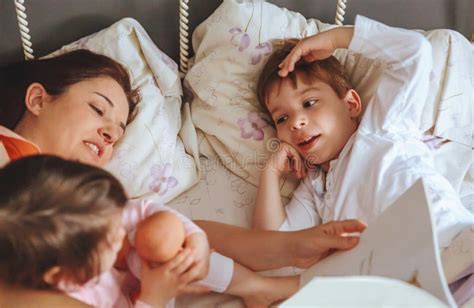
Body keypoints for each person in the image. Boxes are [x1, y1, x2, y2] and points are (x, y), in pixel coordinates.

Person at [0, 48, 365, 290]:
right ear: (37, 99)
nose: (111, 134)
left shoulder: (84, 197)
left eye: (119, 132)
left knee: (171, 228)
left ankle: (270, 279)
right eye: (98, 109)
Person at [253, 15, 473, 249]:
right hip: (406, 280)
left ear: (350, 105)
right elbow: (274, 249)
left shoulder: (381, 127)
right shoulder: (317, 188)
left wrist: (336, 39)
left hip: (452, 245)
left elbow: (414, 52)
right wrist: (270, 172)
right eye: (282, 118)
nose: (296, 123)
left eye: (309, 103)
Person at [0, 155, 301, 308]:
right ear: (63, 275)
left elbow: (145, 212)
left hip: (149, 274)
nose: (120, 234)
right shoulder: (77, 297)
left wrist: (194, 239)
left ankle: (257, 286)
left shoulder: (90, 218)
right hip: (147, 300)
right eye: (109, 240)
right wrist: (154, 296)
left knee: (163, 238)